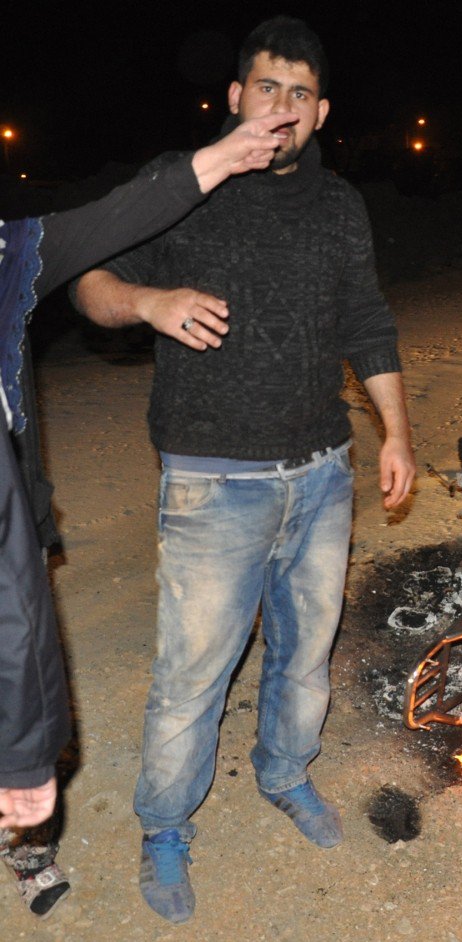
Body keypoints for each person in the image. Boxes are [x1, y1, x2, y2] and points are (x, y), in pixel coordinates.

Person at [73, 16, 417, 925]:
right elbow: (87, 280)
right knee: (194, 674)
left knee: (306, 656)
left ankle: (282, 773)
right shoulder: (179, 186)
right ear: (235, 96)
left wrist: (396, 433)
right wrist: (151, 300)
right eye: (267, 88)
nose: (282, 109)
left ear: (321, 112)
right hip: (213, 479)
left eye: (300, 95)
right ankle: (164, 827)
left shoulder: (340, 205)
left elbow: (368, 323)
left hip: (321, 471)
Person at [1, 111, 294, 918]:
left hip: (8, 514)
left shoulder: (7, 250)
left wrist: (221, 156)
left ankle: (29, 848)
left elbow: (110, 219)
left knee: (20, 669)